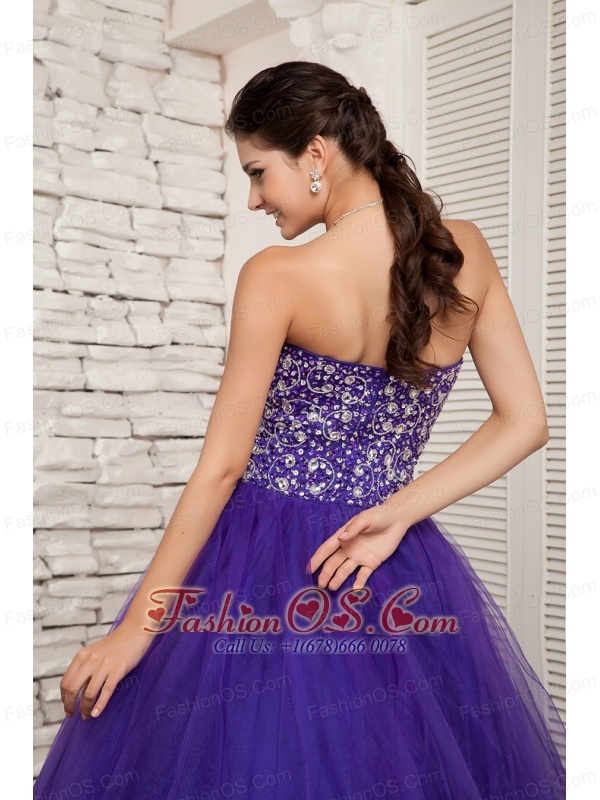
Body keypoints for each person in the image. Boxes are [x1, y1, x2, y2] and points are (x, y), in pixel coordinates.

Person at [34, 61, 566, 799]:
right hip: (383, 558)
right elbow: (526, 421)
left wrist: (134, 631)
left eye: (258, 172)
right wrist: (396, 515)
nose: (253, 198)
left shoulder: (278, 276)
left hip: (259, 565)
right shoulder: (463, 251)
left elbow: (222, 468)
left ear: (316, 153)